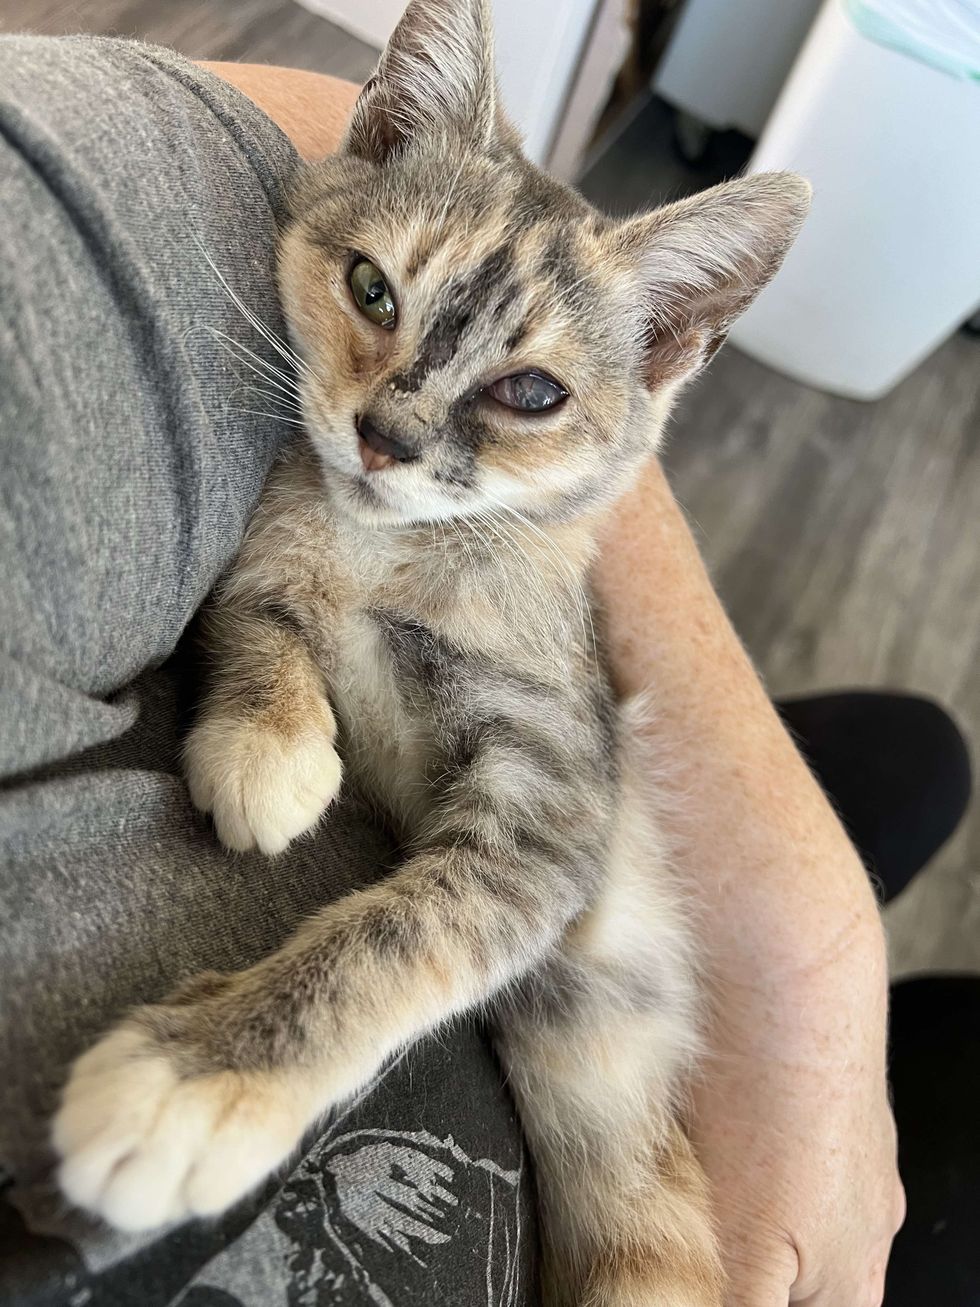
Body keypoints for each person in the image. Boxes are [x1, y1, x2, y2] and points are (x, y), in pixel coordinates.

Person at [0, 35, 973, 1307]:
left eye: (518, 391)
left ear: (669, 347)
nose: (393, 428)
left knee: (917, 763)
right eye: (376, 298)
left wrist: (804, 925)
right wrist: (267, 669)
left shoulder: (506, 562)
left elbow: (536, 850)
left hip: (574, 994)